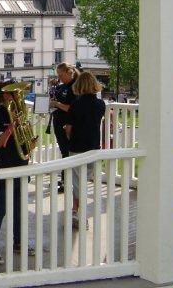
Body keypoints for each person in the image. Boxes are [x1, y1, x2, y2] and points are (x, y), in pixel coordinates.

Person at [0, 80, 34, 262]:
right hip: (6, 168)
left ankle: (18, 242)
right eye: (14, 93)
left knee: (19, 210)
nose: (18, 96)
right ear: (6, 94)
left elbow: (24, 142)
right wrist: (11, 128)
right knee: (0, 210)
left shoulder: (19, 112)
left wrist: (30, 142)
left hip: (21, 166)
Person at [64, 72, 105, 229]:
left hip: (77, 147)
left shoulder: (75, 105)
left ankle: (79, 214)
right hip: (93, 147)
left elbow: (69, 128)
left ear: (79, 86)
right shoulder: (100, 104)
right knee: (84, 181)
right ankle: (76, 211)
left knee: (76, 182)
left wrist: (68, 135)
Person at [49, 62, 79, 192]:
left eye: (61, 75)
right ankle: (64, 180)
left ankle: (66, 182)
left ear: (69, 72)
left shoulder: (75, 87)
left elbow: (73, 108)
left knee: (68, 152)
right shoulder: (61, 87)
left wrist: (56, 104)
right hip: (58, 122)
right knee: (64, 152)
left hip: (68, 124)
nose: (59, 78)